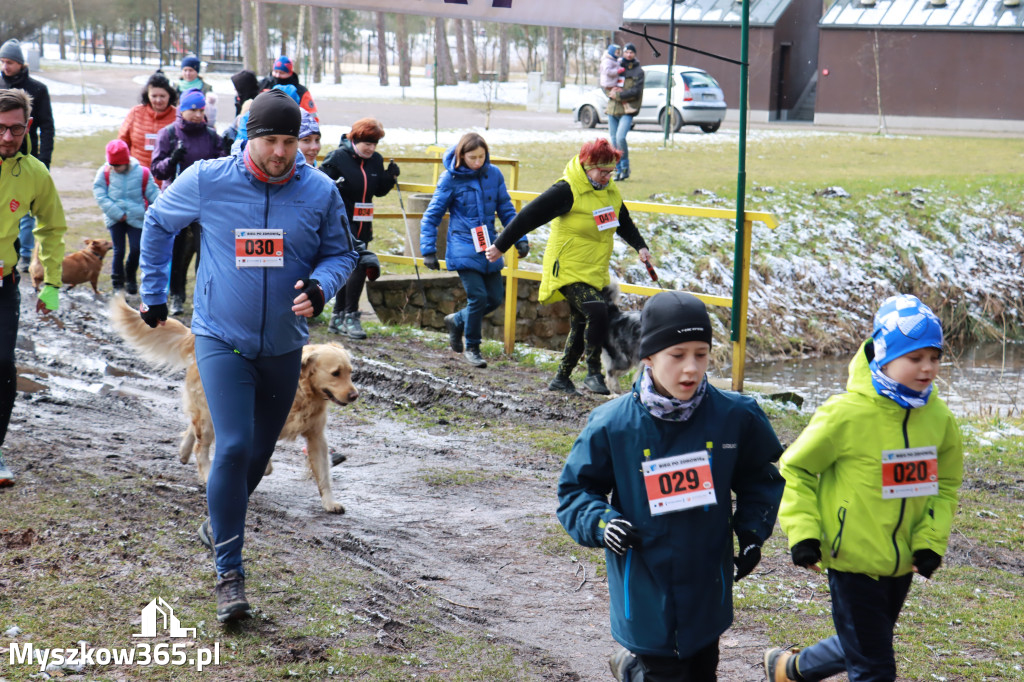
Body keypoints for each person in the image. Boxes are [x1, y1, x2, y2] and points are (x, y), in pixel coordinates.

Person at [137, 89, 358, 622]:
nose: (282, 152)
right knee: (232, 446)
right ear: (248, 137)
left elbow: (342, 251)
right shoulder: (210, 179)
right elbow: (158, 223)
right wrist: (153, 291)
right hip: (221, 339)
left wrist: (323, 288)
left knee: (257, 455)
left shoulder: (319, 190)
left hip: (284, 345)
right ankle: (229, 575)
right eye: (270, 141)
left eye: (290, 141)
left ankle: (220, 517)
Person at [557, 290, 785, 682]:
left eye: (701, 353)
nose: (691, 369)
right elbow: (576, 492)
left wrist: (751, 531)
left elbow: (759, 477)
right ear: (647, 356)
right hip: (645, 590)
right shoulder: (612, 424)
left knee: (700, 672)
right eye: (676, 355)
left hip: (706, 592)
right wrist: (601, 522)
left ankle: (633, 669)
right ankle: (636, 668)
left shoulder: (736, 417)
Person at [765, 294, 964, 682]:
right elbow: (795, 468)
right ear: (885, 356)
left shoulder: (939, 419)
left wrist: (929, 541)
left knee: (865, 640)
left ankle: (788, 669)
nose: (927, 369)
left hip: (901, 562)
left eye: (934, 357)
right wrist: (804, 534)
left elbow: (946, 485)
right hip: (851, 561)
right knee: (873, 667)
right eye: (915, 358)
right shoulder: (846, 413)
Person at [486, 138, 650, 395]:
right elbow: (529, 215)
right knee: (597, 311)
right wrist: (501, 245)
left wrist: (640, 246)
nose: (607, 177)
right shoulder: (567, 189)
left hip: (593, 270)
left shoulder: (609, 192)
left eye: (611, 171)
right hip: (566, 268)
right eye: (602, 171)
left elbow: (623, 222)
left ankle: (561, 378)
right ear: (587, 166)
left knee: (582, 324)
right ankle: (593, 372)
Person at [0, 88, 67, 487]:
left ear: (27, 127)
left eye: (15, 129)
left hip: (4, 286)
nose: (8, 137)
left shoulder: (36, 174)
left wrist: (52, 284)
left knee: (3, 367)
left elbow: (53, 229)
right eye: (0, 128)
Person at [418, 133, 524, 368]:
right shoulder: (450, 178)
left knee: (495, 298)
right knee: (478, 296)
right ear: (461, 156)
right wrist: (428, 250)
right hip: (463, 245)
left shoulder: (493, 174)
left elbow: (507, 209)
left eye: (482, 157)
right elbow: (432, 216)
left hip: (490, 246)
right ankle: (473, 347)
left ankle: (456, 320)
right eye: (472, 157)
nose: (477, 162)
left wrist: (520, 238)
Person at [319, 118, 399, 339]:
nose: (370, 148)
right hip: (342, 223)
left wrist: (389, 177)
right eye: (366, 143)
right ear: (354, 139)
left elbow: (378, 190)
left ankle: (338, 317)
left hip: (365, 222)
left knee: (355, 267)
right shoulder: (337, 158)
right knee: (357, 266)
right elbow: (320, 185)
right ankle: (350, 316)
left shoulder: (375, 160)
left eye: (374, 144)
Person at [151, 88, 226, 315]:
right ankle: (176, 295)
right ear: (182, 110)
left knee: (206, 254)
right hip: (177, 204)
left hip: (207, 205)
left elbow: (223, 167)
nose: (197, 114)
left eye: (201, 109)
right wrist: (172, 159)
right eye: (192, 109)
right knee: (178, 252)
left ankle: (203, 298)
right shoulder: (168, 134)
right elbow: (157, 169)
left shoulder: (212, 136)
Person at [0, 39, 55, 273]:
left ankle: (24, 254)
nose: (5, 66)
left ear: (21, 64)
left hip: (26, 159)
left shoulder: (38, 89)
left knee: (27, 208)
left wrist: (44, 160)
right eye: (2, 61)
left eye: (10, 62)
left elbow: (47, 126)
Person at [92, 139, 160, 295]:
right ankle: (117, 283)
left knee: (136, 248)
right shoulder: (105, 172)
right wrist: (117, 213)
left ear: (126, 161)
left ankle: (130, 276)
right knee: (118, 250)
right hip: (115, 217)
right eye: (112, 165)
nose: (114, 168)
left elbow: (153, 193)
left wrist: (163, 206)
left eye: (118, 165)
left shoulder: (142, 172)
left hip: (136, 217)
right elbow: (100, 194)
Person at [118, 71, 179, 170]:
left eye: (162, 96)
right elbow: (122, 142)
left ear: (169, 95)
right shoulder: (135, 112)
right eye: (154, 96)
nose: (158, 100)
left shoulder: (178, 116)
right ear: (147, 95)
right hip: (137, 174)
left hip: (166, 176)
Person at [606, 43, 643, 182]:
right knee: (614, 141)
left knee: (621, 138)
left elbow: (636, 92)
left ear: (634, 54)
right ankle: (619, 170)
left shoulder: (638, 71)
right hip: (613, 109)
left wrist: (620, 95)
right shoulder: (615, 66)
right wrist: (610, 93)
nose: (628, 55)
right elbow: (606, 83)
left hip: (628, 109)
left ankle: (625, 167)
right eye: (626, 52)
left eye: (631, 52)